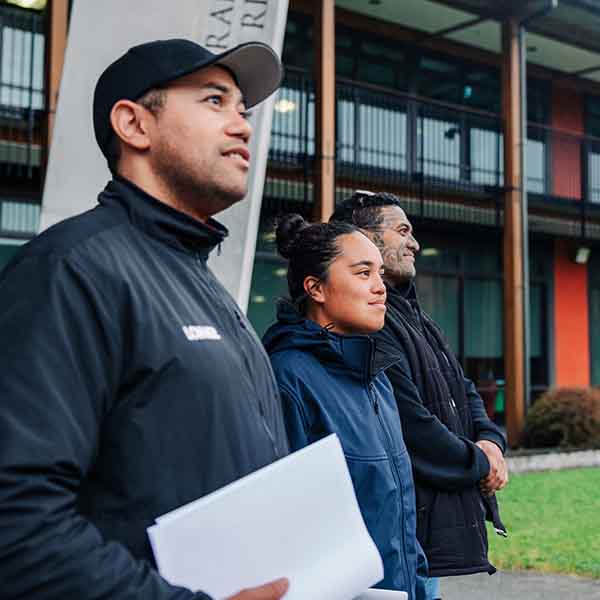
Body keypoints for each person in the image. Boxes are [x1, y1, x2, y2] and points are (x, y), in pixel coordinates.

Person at [0, 39, 291, 600]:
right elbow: (16, 521)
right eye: (215, 100)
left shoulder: (202, 282)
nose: (244, 126)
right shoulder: (71, 270)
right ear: (134, 124)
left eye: (243, 110)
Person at [331, 192, 509, 599]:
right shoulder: (369, 322)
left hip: (423, 533)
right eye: (403, 231)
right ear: (366, 241)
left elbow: (464, 390)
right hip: (402, 530)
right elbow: (410, 428)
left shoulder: (418, 318)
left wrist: (490, 441)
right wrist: (480, 463)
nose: (414, 243)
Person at [263, 214, 428, 600]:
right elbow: (285, 529)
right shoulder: (288, 378)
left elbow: (396, 508)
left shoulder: (376, 378)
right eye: (362, 273)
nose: (380, 287)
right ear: (315, 288)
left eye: (380, 273)